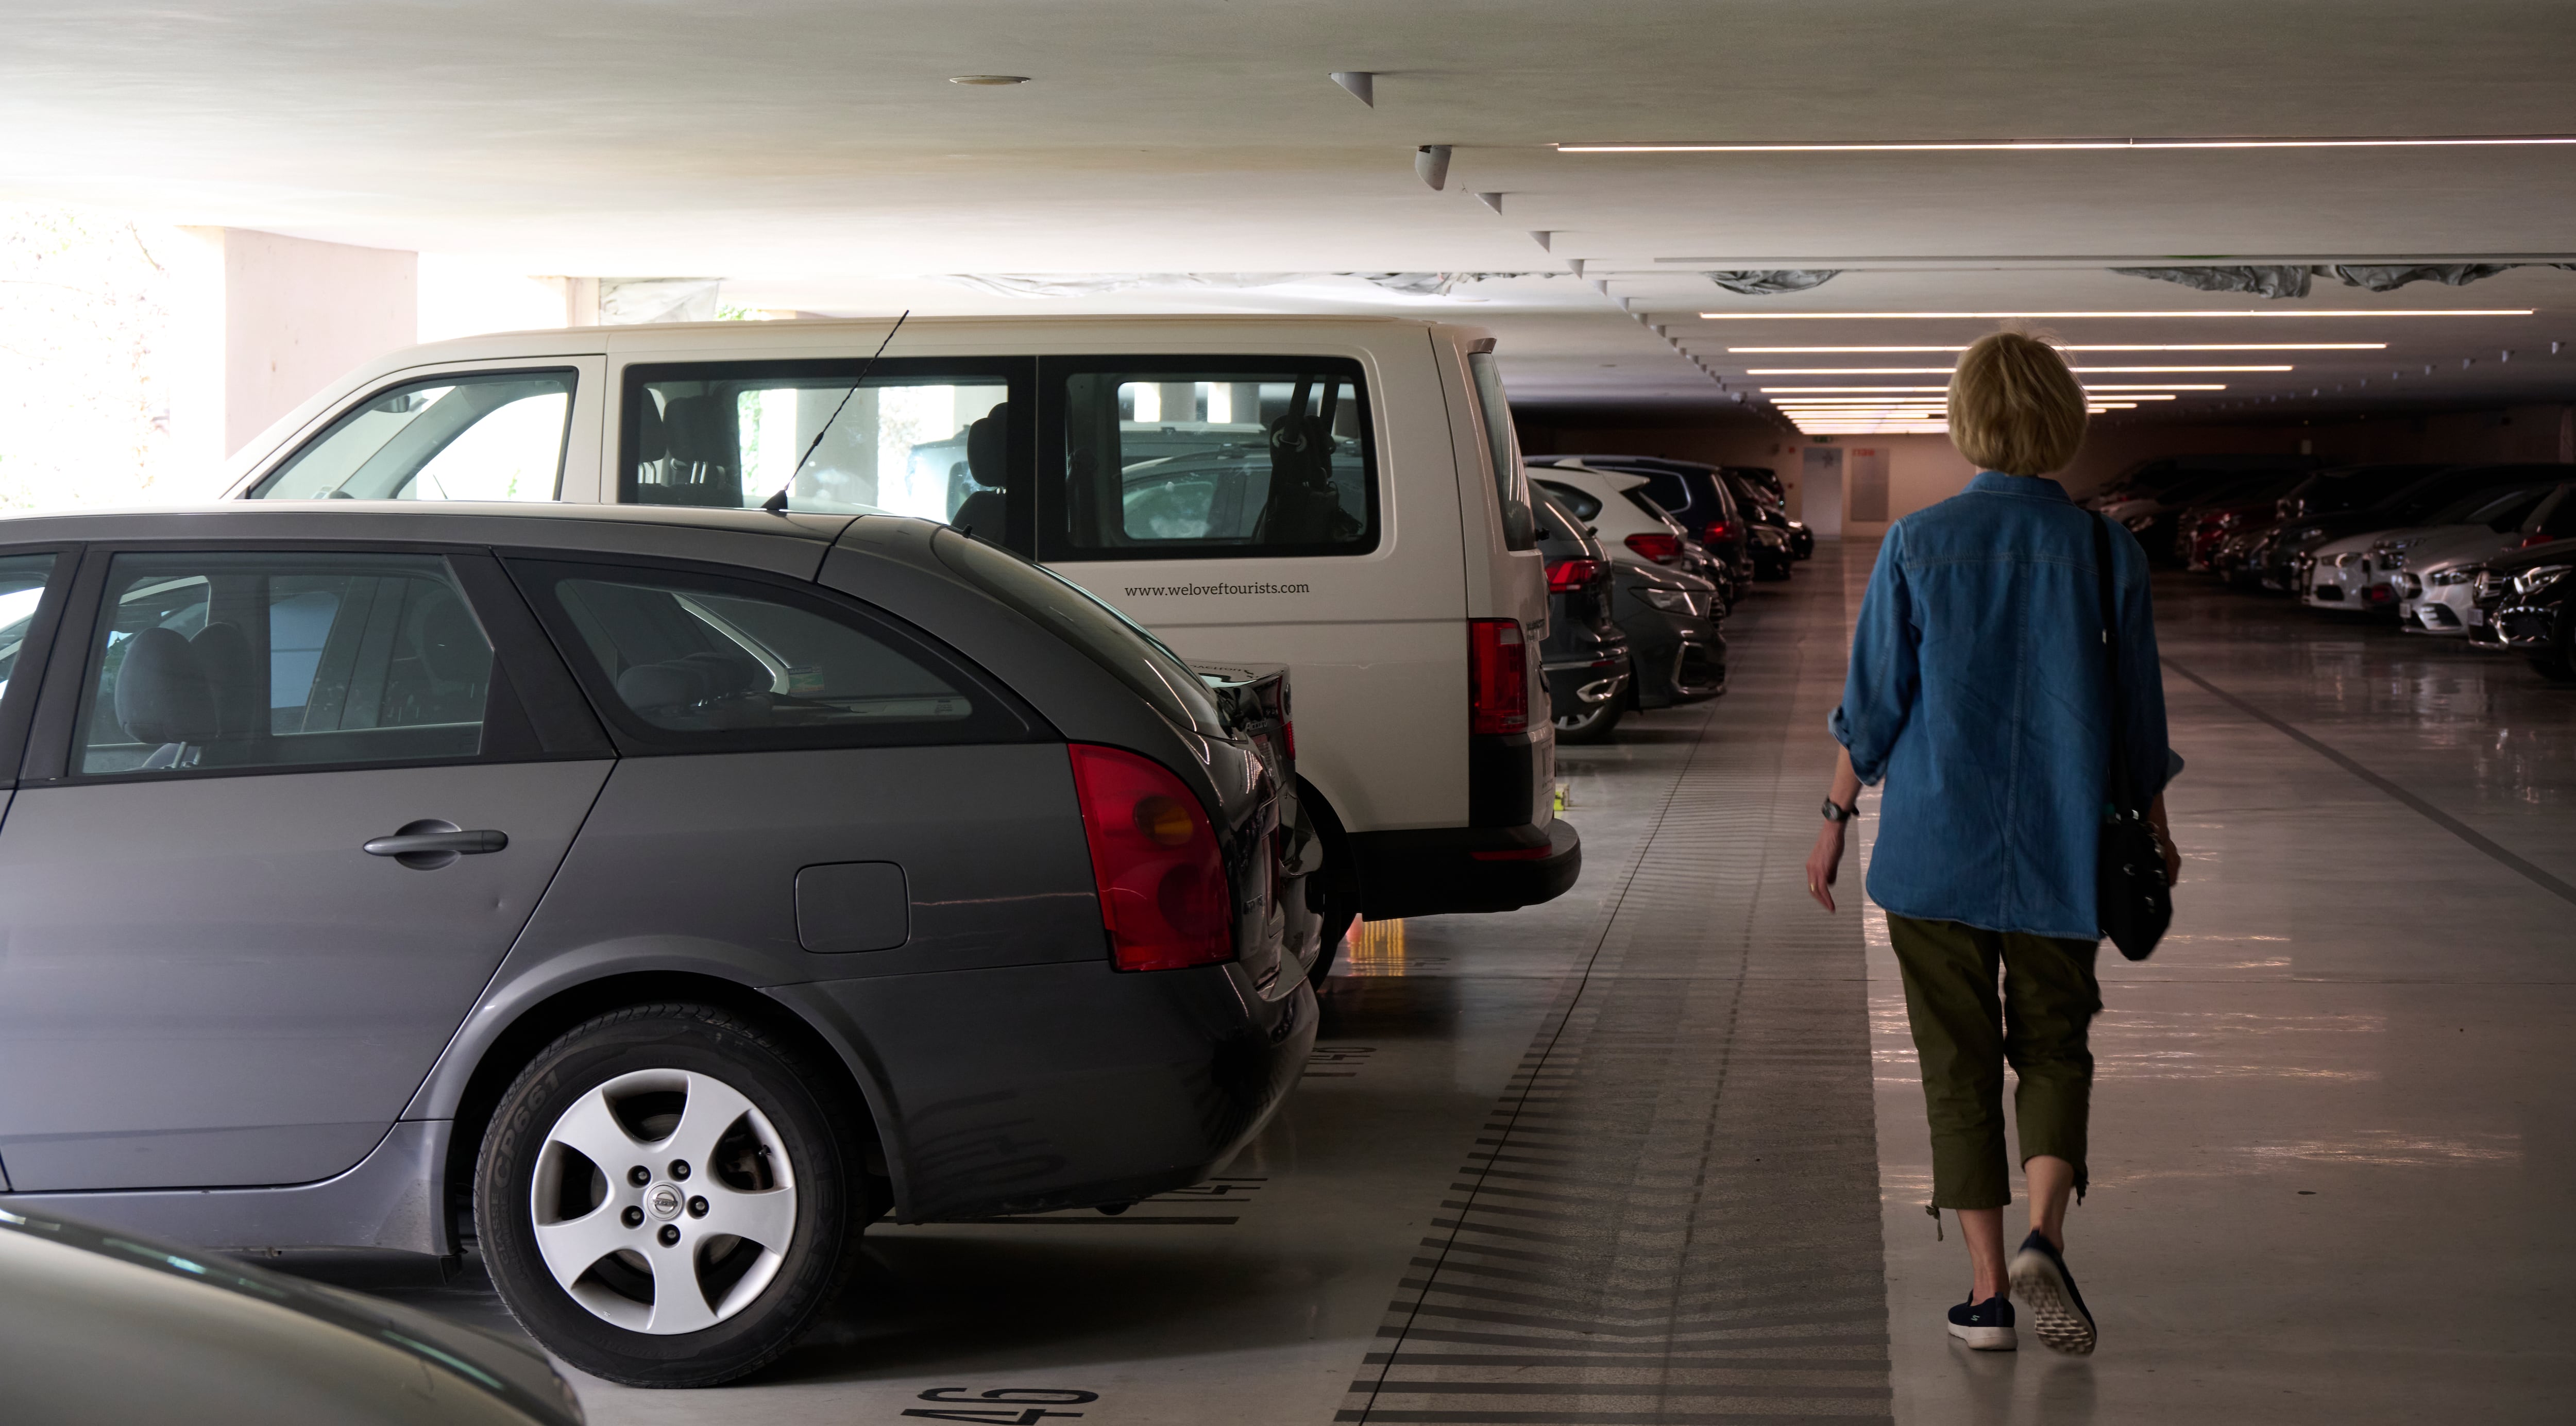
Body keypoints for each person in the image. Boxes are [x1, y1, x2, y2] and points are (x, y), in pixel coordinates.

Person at [1804, 331, 2181, 1356]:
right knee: (2056, 1047)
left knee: (1955, 1065)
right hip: (2066, 845)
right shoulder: (2109, 551)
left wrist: (1834, 819)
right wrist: (2154, 826)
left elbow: (1873, 707)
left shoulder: (1916, 544)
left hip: (1933, 852)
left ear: (1965, 420)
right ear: (2063, 418)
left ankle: (1984, 1297)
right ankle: (2044, 1237)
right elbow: (2137, 718)